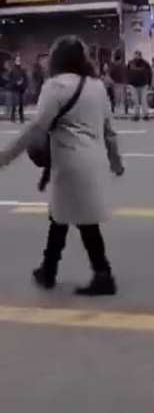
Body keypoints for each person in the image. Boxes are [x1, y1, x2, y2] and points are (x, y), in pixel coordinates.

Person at [0, 36, 124, 296]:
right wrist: (116, 161)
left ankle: (100, 275)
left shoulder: (55, 87)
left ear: (57, 59)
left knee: (76, 220)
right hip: (94, 160)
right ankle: (49, 270)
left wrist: (7, 155)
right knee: (62, 217)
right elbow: (109, 131)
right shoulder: (97, 86)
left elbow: (37, 128)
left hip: (69, 163)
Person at [127, 50, 152, 121]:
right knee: (135, 101)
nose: (136, 56)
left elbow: (150, 73)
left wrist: (149, 83)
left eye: (138, 55)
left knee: (143, 100)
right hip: (133, 85)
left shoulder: (145, 63)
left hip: (143, 84)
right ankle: (136, 115)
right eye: (135, 55)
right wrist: (128, 83)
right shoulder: (130, 63)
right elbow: (127, 73)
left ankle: (146, 115)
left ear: (141, 56)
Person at [10, 55, 28, 123]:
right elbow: (11, 79)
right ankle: (13, 117)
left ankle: (21, 118)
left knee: (21, 104)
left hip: (21, 89)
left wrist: (24, 85)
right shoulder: (13, 70)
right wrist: (16, 83)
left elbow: (26, 79)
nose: (18, 61)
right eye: (17, 60)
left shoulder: (23, 70)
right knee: (14, 104)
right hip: (14, 89)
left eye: (19, 60)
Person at [110, 50, 128, 115]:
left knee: (117, 97)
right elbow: (127, 74)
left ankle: (117, 110)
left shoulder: (114, 66)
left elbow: (111, 74)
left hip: (116, 83)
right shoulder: (124, 66)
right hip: (123, 83)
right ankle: (123, 111)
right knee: (122, 97)